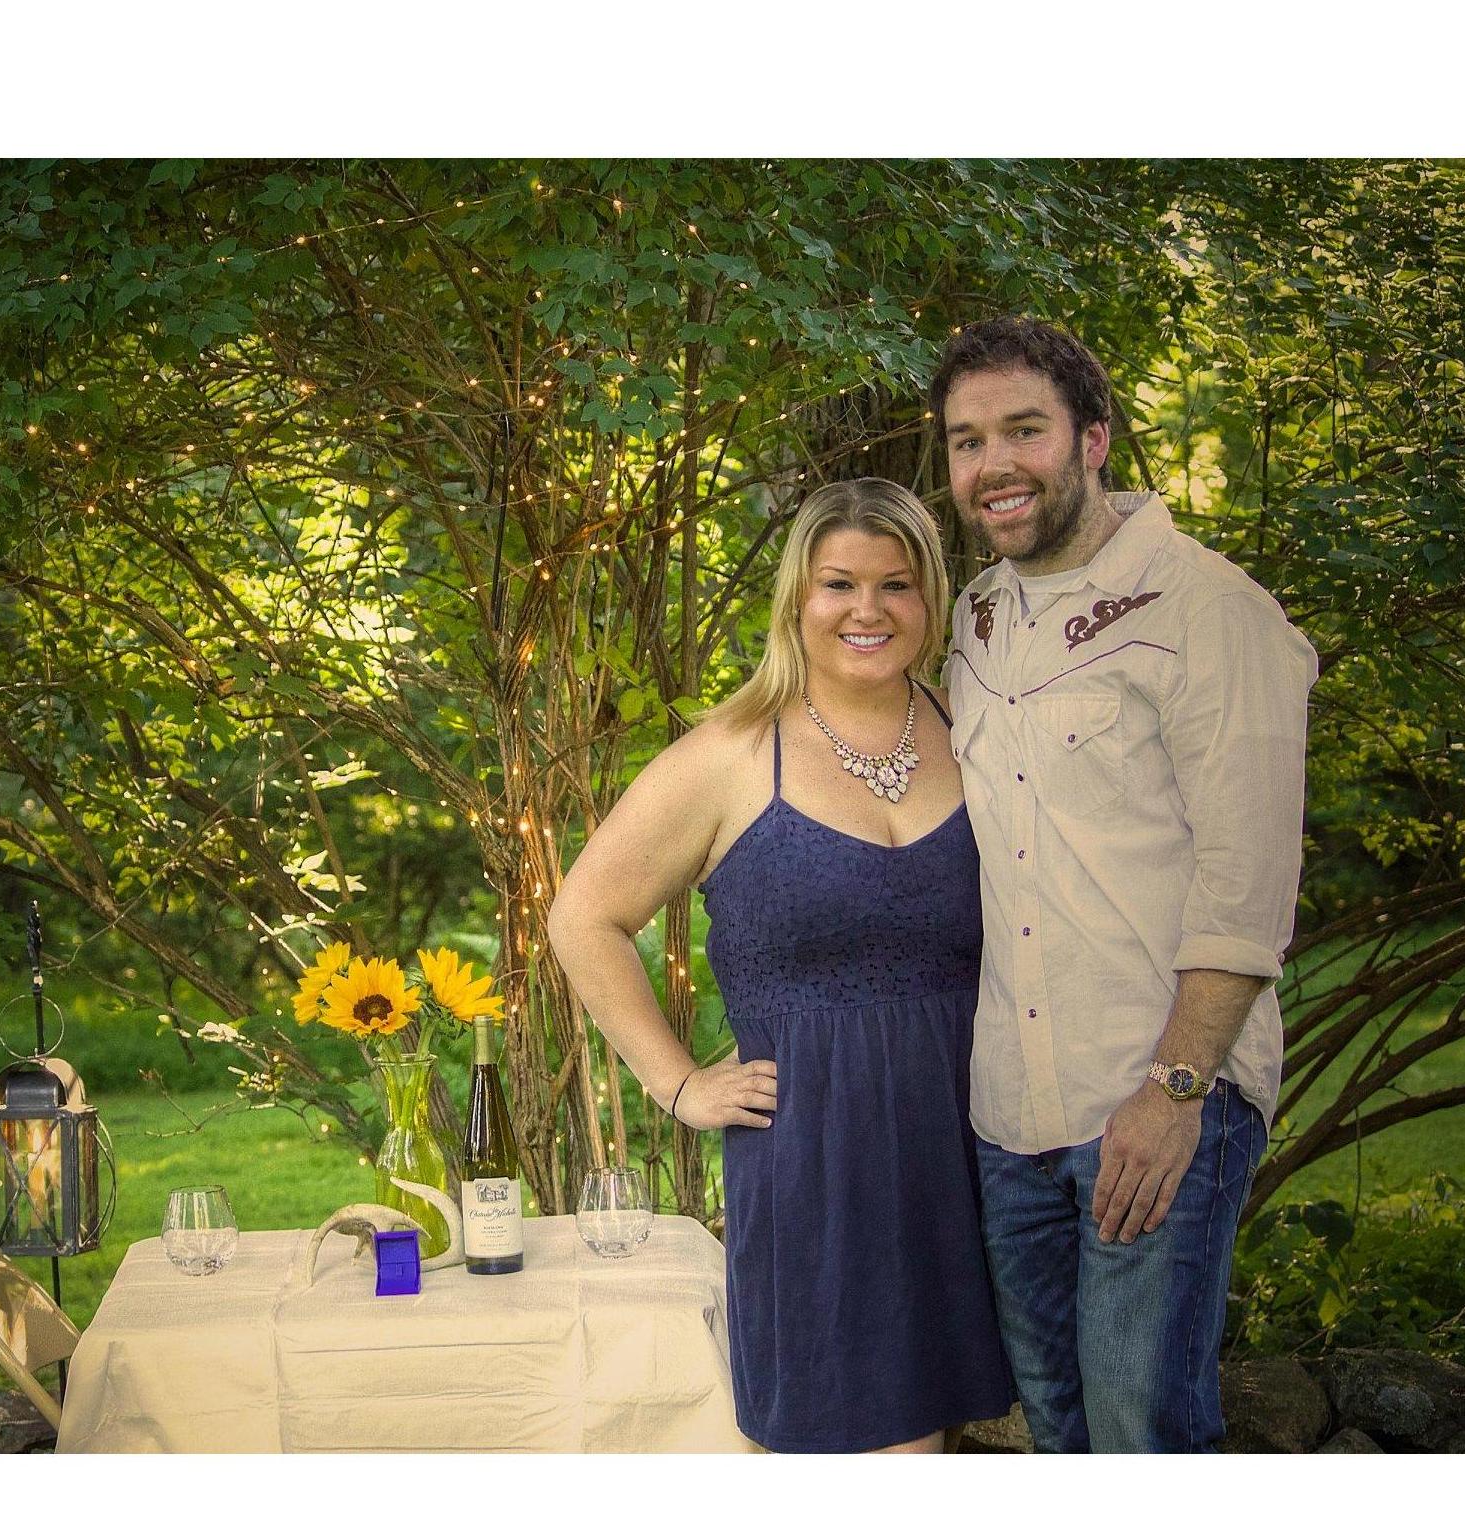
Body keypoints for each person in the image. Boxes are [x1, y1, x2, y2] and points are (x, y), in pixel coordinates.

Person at [547, 478, 1014, 1453]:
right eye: (837, 583)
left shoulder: (973, 727)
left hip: (971, 1142)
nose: (866, 609)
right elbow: (584, 917)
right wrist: (676, 1083)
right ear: (796, 597)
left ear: (929, 596)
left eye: (895, 583)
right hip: (816, 1159)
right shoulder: (728, 754)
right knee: (857, 1441)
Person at [932, 315, 1319, 1452]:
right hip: (1010, 1115)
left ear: (1093, 439)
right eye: (965, 441)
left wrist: (1174, 1090)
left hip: (1150, 1095)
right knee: (1058, 1434)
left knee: (1141, 1435)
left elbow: (1248, 885)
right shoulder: (973, 618)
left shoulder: (1206, 607)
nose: (992, 465)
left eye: (1024, 430)